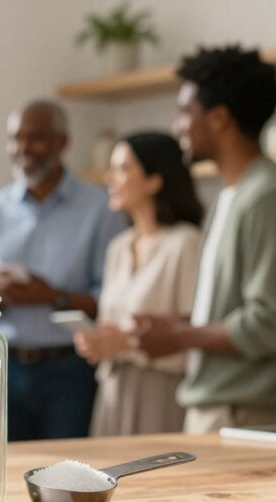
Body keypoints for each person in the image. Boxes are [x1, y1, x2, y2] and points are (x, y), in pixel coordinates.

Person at [131, 46, 276, 434]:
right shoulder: (232, 196)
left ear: (219, 118)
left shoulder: (269, 198)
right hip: (223, 413)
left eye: (186, 112)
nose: (178, 125)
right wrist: (181, 324)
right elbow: (240, 313)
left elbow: (272, 325)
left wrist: (180, 336)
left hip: (248, 418)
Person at [0, 99, 128, 441]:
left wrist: (52, 296)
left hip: (71, 370)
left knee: (69, 472)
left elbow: (112, 300)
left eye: (35, 137)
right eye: (15, 138)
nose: (22, 148)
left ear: (62, 142)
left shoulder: (100, 209)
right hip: (4, 368)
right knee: (4, 471)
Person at [73, 132, 203, 436]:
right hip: (113, 391)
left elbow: (195, 335)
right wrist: (99, 341)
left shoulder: (185, 244)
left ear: (154, 180)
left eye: (122, 168)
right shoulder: (118, 247)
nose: (109, 178)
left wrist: (124, 343)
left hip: (161, 395)